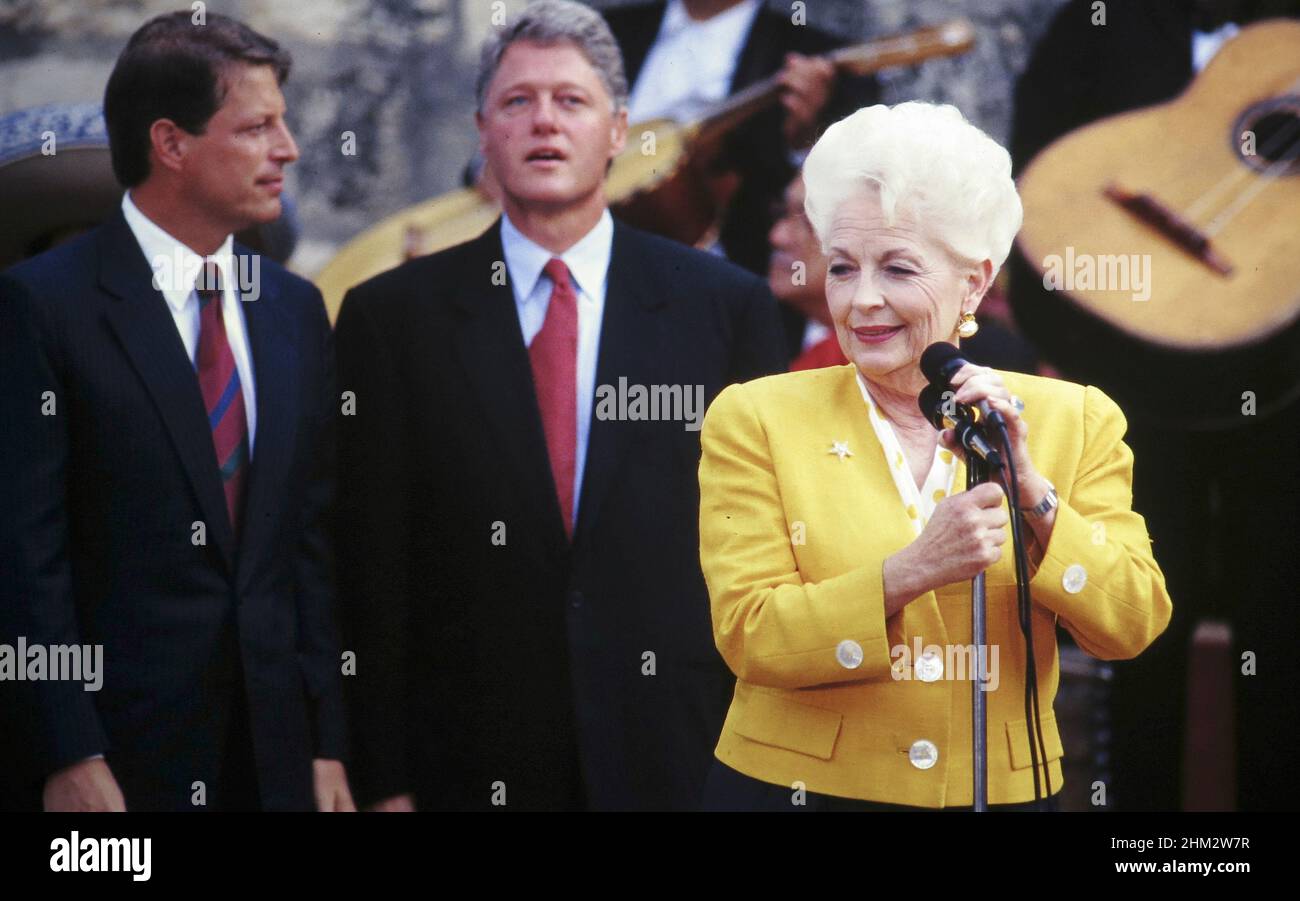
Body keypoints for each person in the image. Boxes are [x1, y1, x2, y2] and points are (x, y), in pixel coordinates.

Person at [334, 0, 786, 812]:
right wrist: (382, 774)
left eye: (571, 101)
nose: (544, 121)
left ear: (619, 131)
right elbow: (370, 563)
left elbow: (767, 546)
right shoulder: (391, 317)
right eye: (518, 101)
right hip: (465, 757)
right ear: (482, 130)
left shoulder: (725, 308)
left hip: (682, 752)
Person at [696, 101, 1173, 810]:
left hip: (997, 792)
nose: (862, 301)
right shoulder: (756, 416)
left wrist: (1035, 495)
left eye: (896, 268)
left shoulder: (1073, 418)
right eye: (842, 268)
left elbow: (1131, 622)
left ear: (974, 283)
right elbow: (751, 635)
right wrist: (912, 570)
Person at [0, 11, 352, 812]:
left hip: (274, 764)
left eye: (283, 123)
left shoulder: (295, 310)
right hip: (113, 771)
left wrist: (327, 741)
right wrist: (67, 751)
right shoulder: (40, 307)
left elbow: (309, 549)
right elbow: (23, 558)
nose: (288, 148)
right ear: (171, 144)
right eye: (258, 126)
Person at [602, 0, 878, 357]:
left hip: (734, 306)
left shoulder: (817, 54)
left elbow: (846, 195)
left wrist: (802, 140)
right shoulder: (605, 31)